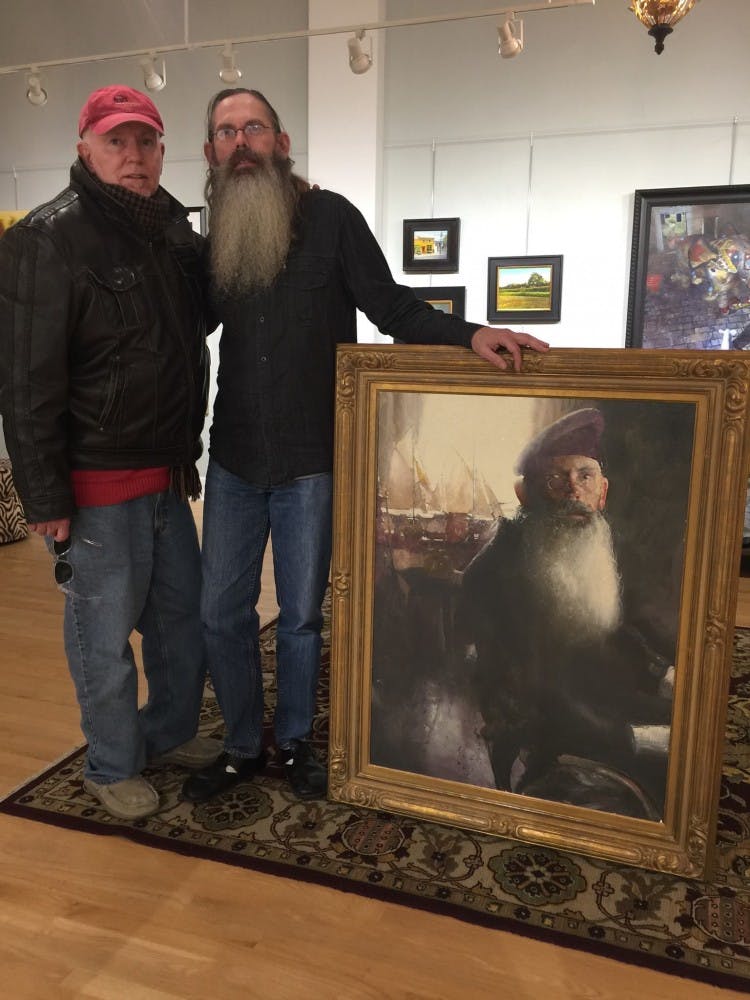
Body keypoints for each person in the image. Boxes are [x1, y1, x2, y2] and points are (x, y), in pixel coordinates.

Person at [181, 87, 549, 805]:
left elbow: (393, 307)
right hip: (233, 458)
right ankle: (240, 745)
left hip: (313, 460)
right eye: (226, 132)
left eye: (253, 127)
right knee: (219, 614)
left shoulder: (332, 218)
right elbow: (179, 330)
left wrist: (471, 333)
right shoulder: (212, 238)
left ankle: (293, 742)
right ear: (211, 152)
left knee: (300, 617)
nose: (241, 141)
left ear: (281, 142)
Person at [0, 85, 219, 821]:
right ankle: (112, 763)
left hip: (168, 477)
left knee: (180, 624)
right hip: (96, 485)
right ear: (84, 148)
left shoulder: (172, 232)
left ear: (162, 149)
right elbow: (25, 382)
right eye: (116, 141)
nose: (134, 155)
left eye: (146, 141)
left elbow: (198, 325)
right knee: (102, 638)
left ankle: (170, 732)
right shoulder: (46, 239)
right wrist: (44, 497)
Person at [457, 408, 675, 818]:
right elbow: (523, 695)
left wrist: (660, 672)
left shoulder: (594, 544)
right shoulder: (496, 574)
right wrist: (635, 738)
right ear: (527, 496)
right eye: (556, 480)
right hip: (554, 733)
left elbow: (610, 630)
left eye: (584, 476)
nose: (574, 491)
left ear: (603, 492)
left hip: (602, 699)